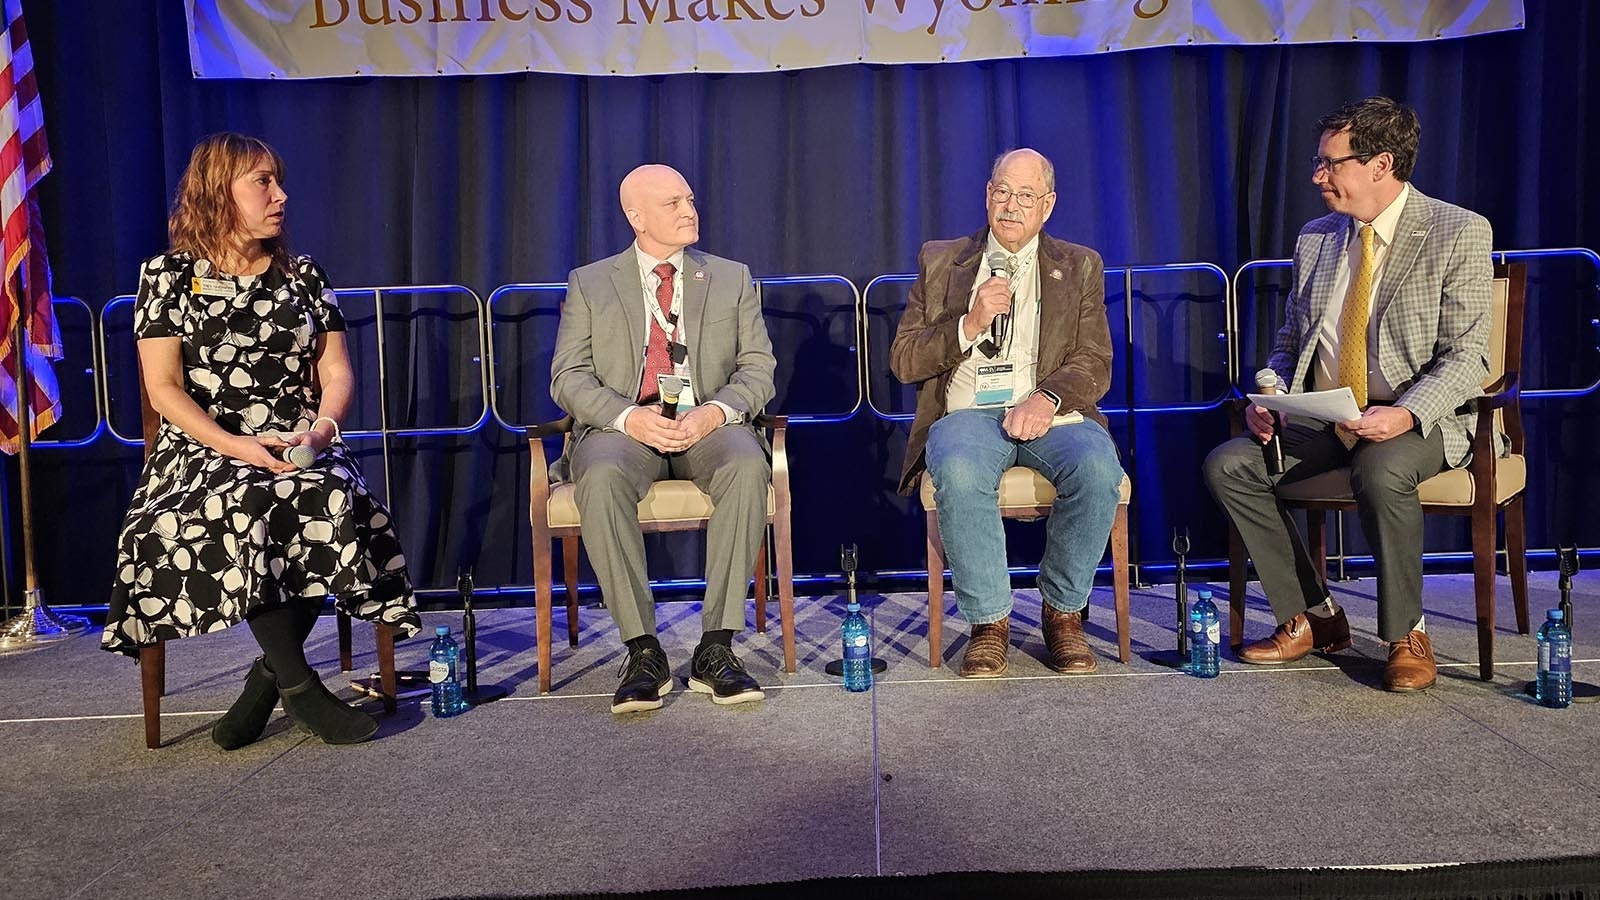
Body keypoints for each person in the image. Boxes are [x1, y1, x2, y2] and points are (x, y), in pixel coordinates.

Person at [102, 133, 421, 746]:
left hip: (302, 438)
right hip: (203, 448)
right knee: (248, 500)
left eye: (277, 180)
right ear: (219, 192)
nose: (281, 195)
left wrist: (323, 427)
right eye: (262, 182)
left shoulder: (302, 275)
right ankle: (300, 686)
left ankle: (266, 681)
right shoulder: (166, 276)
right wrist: (236, 445)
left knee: (324, 499)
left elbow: (337, 372)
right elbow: (164, 389)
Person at [1203, 97, 1494, 692]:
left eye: (1330, 163)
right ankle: (1316, 616)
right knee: (1229, 463)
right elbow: (1290, 342)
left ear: (1380, 164)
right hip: (1328, 414)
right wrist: (1272, 393)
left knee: (1381, 471)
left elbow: (1471, 357)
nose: (1317, 176)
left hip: (1419, 418)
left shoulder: (1457, 230)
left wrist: (1406, 412)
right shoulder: (1317, 239)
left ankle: (1405, 633)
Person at [550, 164, 776, 714]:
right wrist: (628, 417)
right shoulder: (591, 281)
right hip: (626, 428)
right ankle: (642, 649)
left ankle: (716, 648)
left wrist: (716, 413)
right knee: (598, 475)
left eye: (690, 200)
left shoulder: (729, 276)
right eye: (673, 203)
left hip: (706, 425)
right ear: (636, 216)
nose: (689, 211)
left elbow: (759, 368)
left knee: (748, 465)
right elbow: (568, 375)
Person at [890, 148, 1124, 678]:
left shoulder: (1079, 264)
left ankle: (1063, 613)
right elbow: (904, 360)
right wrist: (967, 325)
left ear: (1048, 205)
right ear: (987, 195)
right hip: (970, 412)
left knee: (1097, 468)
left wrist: (1047, 399)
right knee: (960, 467)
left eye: (1025, 196)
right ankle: (989, 622)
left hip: (1052, 413)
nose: (1011, 206)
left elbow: (1095, 361)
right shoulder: (942, 260)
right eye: (1001, 192)